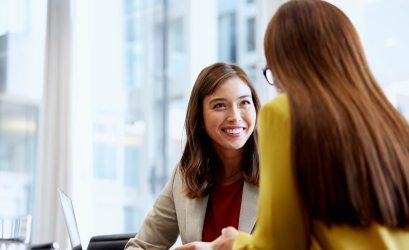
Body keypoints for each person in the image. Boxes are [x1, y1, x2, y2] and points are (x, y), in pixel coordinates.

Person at [179, 0, 409, 249]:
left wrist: (230, 245)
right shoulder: (392, 122)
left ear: (285, 63)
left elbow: (280, 243)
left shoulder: (284, 114)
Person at [125, 62, 261, 250]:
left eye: (244, 102)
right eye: (220, 105)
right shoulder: (184, 175)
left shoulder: (280, 172)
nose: (235, 117)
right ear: (201, 120)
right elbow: (140, 247)